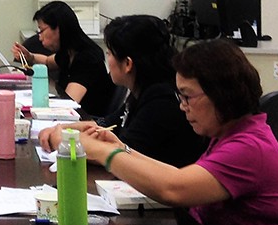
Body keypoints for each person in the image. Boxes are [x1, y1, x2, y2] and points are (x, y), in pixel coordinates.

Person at [78, 39, 278, 225]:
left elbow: (173, 188)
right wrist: (121, 149)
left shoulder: (249, 149)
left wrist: (104, 153)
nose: (182, 106)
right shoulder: (232, 135)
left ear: (222, 95)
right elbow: (180, 176)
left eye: (188, 96)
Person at [38, 15, 206, 168]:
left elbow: (120, 157)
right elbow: (105, 125)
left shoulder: (161, 101)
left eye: (109, 54)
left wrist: (66, 143)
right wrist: (63, 128)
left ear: (127, 64)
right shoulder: (142, 91)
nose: (108, 60)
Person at [12, 0, 116, 117]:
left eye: (41, 31)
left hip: (85, 120)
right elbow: (47, 61)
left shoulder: (88, 58)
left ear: (58, 29)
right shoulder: (69, 51)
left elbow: (68, 103)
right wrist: (29, 57)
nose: (39, 37)